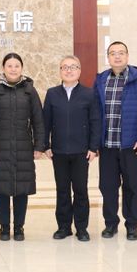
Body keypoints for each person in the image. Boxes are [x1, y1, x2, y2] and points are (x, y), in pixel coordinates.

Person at [0, 53, 46, 242]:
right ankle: (4, 227)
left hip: (24, 146)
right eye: (9, 66)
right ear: (3, 68)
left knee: (22, 188)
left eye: (16, 66)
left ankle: (19, 227)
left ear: (21, 68)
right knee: (1, 188)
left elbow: (38, 120)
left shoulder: (30, 91)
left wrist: (39, 145)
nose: (13, 69)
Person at [95, 41, 137, 241]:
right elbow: (94, 113)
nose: (117, 56)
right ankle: (110, 224)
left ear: (127, 56)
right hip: (107, 146)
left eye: (121, 53)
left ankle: (132, 225)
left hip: (131, 146)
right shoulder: (101, 80)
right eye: (113, 53)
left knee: (132, 187)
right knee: (108, 187)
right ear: (108, 58)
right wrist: (95, 142)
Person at [43, 55, 100, 242]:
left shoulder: (89, 94)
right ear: (60, 71)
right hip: (58, 151)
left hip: (81, 151)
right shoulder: (52, 93)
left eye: (73, 67)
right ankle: (64, 227)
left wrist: (93, 147)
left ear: (79, 71)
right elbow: (45, 122)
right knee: (62, 190)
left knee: (81, 190)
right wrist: (45, 145)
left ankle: (82, 228)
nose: (69, 70)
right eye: (65, 67)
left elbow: (95, 121)